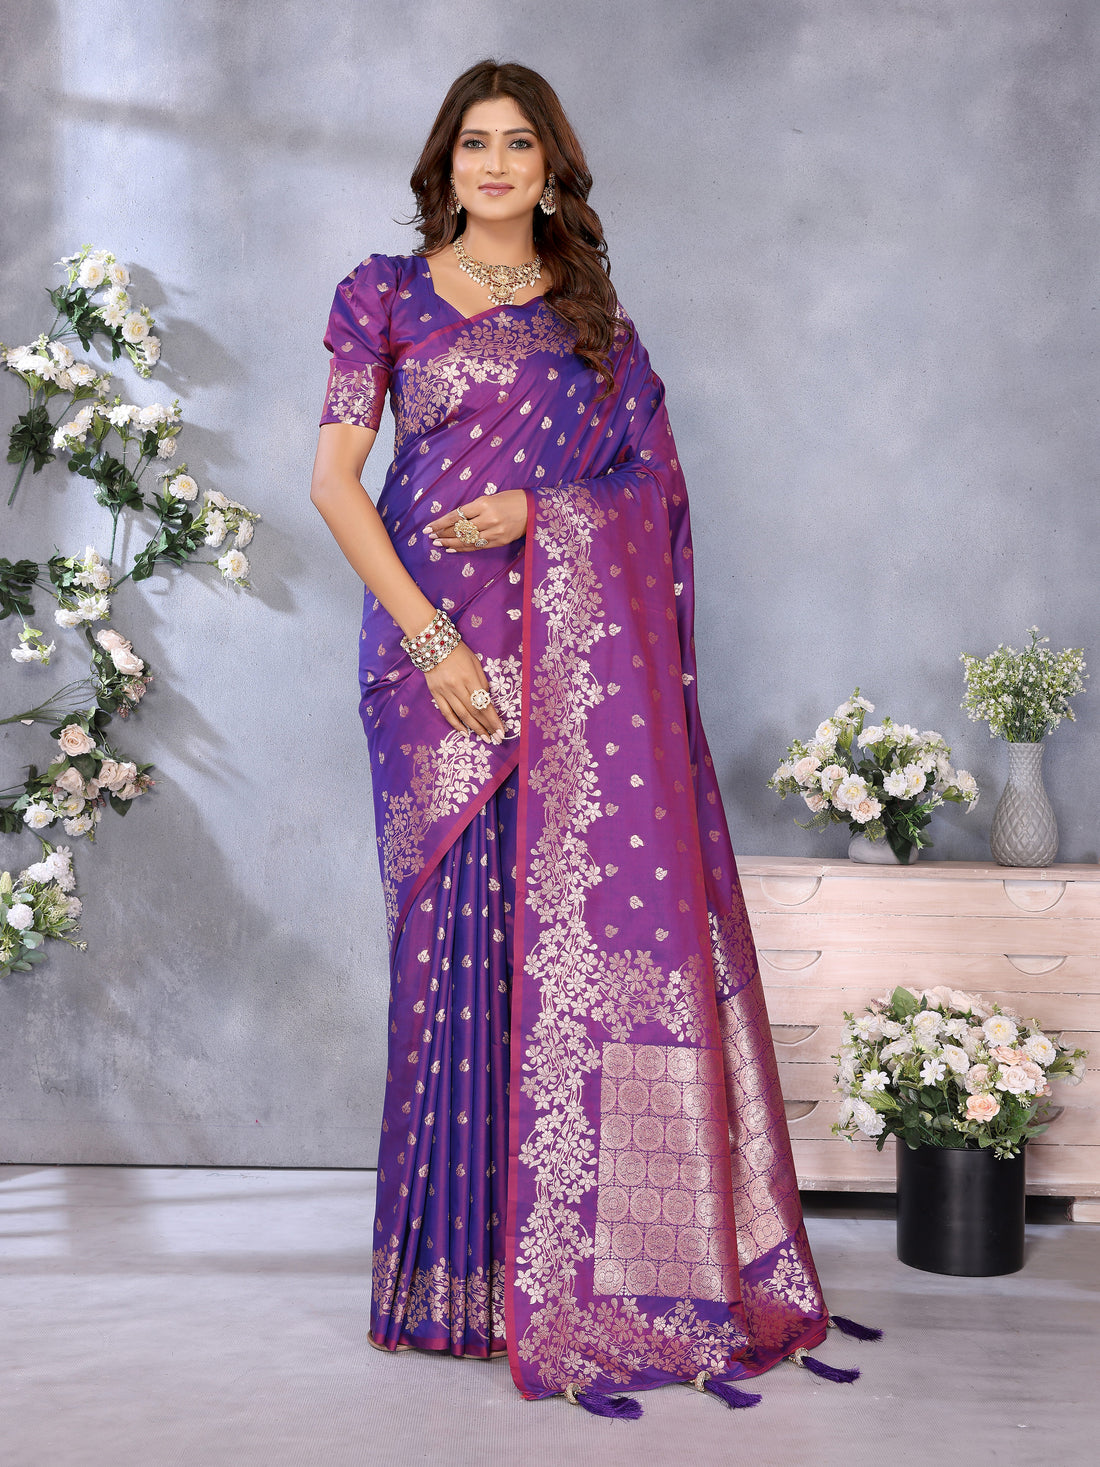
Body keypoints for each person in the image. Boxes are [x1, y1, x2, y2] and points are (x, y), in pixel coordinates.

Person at [311, 59, 870, 1415]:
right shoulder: (382, 297)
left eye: (520, 144)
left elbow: (651, 493)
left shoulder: (592, 317)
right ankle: (447, 1283)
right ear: (444, 163)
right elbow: (334, 484)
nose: (496, 165)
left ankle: (578, 1273)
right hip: (432, 670)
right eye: (474, 143)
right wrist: (435, 643)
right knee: (450, 960)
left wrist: (538, 516)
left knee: (569, 954)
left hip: (573, 678)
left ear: (552, 167)